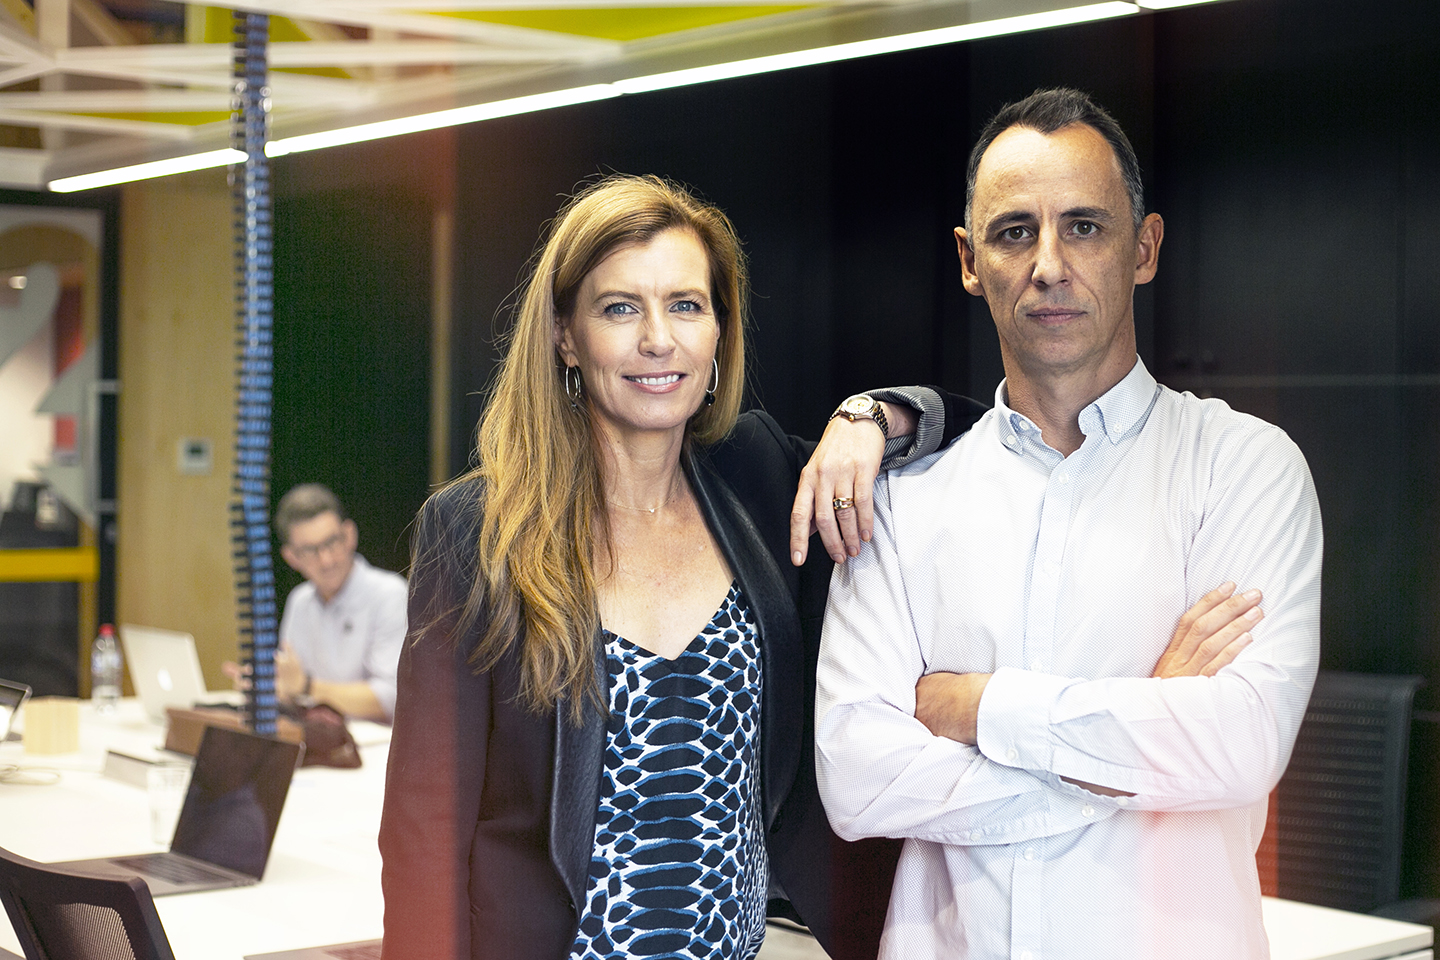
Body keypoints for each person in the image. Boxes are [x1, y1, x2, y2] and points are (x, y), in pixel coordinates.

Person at [377, 174, 987, 960]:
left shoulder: (761, 477)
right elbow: (424, 826)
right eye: (619, 308)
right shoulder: (477, 530)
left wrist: (869, 417)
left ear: (719, 333)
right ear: (565, 336)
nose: (658, 339)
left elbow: (982, 435)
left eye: (687, 305)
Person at [815, 88, 1323, 960]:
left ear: (1144, 248)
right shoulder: (901, 498)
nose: (1049, 264)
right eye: (1015, 233)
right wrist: (1142, 736)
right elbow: (858, 781)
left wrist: (976, 705)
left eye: (1084, 226)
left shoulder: (1243, 468)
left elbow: (1240, 744)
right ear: (970, 261)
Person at [240, 483, 406, 723]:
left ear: (349, 535)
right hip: (315, 735)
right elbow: (292, 689)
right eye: (310, 550)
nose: (326, 560)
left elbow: (391, 697)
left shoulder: (390, 594)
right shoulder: (299, 601)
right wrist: (265, 688)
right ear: (291, 557)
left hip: (375, 742)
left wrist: (306, 686)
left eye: (331, 542)